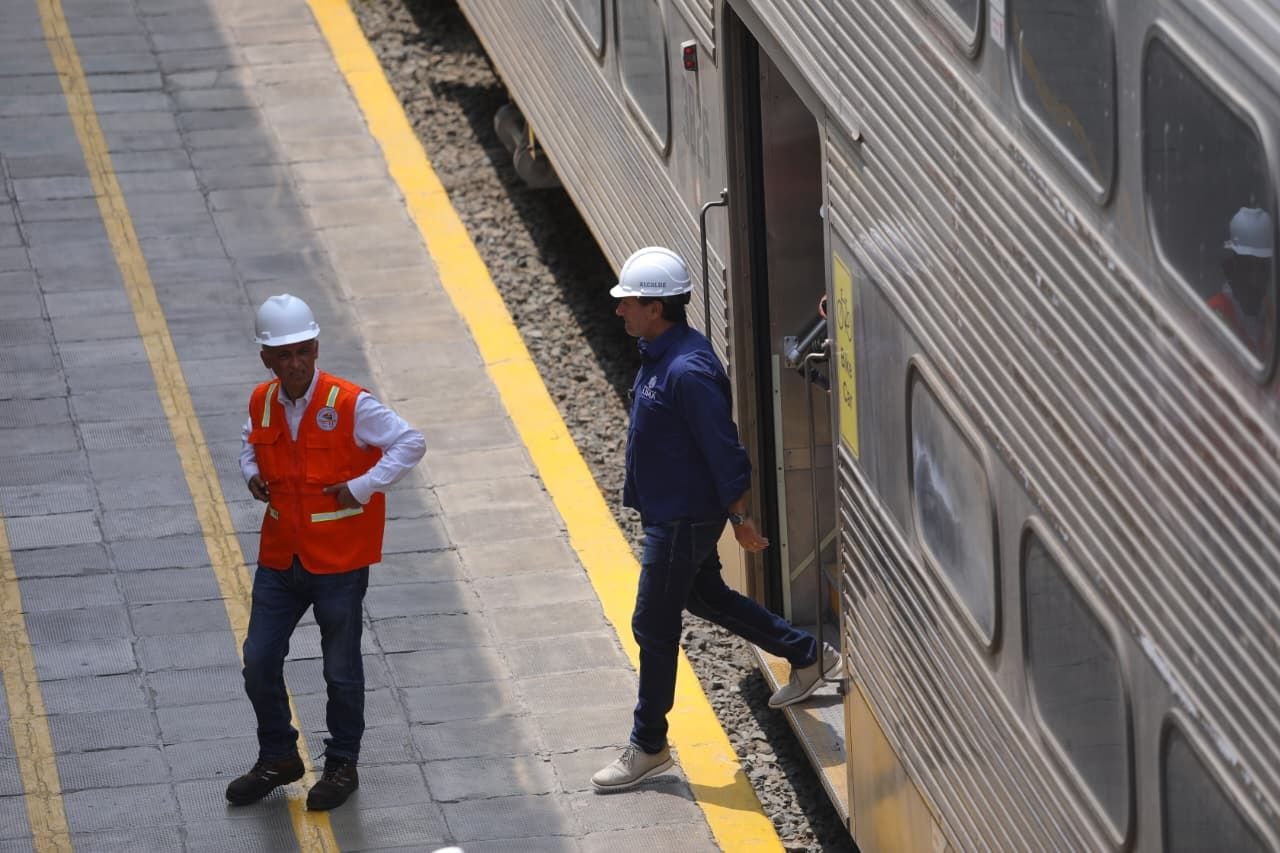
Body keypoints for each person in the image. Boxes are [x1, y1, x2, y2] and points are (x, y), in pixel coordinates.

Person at [592, 247, 841, 792]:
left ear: (656, 308)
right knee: (704, 596)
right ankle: (805, 653)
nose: (619, 310)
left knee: (652, 625)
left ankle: (648, 745)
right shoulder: (661, 353)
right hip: (670, 513)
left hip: (682, 520)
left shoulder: (688, 370)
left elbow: (725, 451)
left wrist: (741, 517)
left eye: (628, 302)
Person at [225, 294, 425, 811]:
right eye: (283, 354)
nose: (295, 363)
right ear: (266, 359)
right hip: (281, 557)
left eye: (303, 351)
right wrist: (250, 471)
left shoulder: (350, 402)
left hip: (338, 561)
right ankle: (279, 757)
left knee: (340, 669)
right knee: (258, 661)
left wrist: (363, 486)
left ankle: (341, 764)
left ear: (315, 348)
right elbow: (249, 441)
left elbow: (410, 442)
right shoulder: (261, 401)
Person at [1208, 206, 1274, 358]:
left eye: (1263, 268)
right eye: (1249, 267)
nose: (1256, 279)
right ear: (1232, 267)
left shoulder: (1270, 312)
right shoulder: (1213, 314)